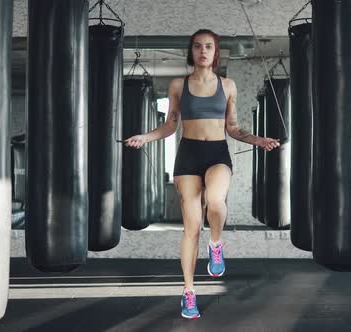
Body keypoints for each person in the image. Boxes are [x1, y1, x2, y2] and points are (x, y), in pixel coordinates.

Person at [124, 29, 280, 319]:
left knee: (216, 200)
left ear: (215, 51)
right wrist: (145, 137)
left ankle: (216, 244)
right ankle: (188, 292)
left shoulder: (228, 85)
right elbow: (171, 125)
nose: (203, 51)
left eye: (208, 46)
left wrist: (258, 140)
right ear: (192, 51)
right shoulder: (178, 86)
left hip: (217, 153)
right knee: (191, 228)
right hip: (188, 156)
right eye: (198, 46)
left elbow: (232, 128)